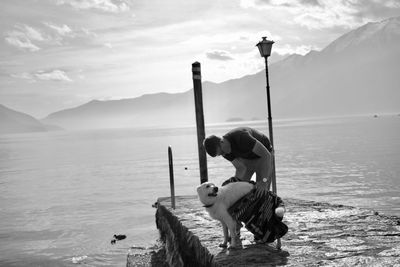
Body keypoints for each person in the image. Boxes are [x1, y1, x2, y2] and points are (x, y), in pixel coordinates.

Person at [204, 127, 273, 189]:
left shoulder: (241, 137)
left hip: (264, 153)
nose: (223, 155)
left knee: (261, 189)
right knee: (241, 188)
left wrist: (264, 181)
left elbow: (266, 156)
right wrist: (233, 185)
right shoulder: (225, 152)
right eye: (220, 154)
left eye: (222, 152)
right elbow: (240, 168)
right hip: (248, 156)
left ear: (222, 142)